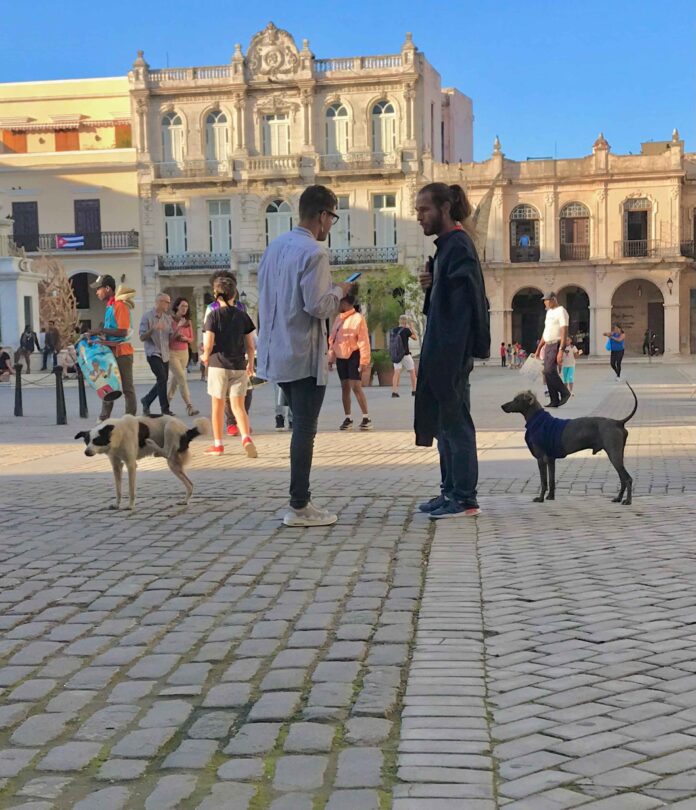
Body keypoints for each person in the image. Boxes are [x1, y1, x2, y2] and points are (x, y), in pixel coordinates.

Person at [257, 184, 353, 528]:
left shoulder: (275, 247)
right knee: (305, 430)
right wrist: (340, 290)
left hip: (277, 349)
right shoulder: (314, 252)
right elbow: (317, 305)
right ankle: (299, 504)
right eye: (333, 218)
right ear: (323, 216)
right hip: (303, 351)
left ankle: (299, 500)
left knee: (299, 425)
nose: (331, 226)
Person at [414, 182, 490, 520]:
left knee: (456, 423)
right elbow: (445, 302)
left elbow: (466, 305)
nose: (419, 217)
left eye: (424, 210)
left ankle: (464, 497)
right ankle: (449, 491)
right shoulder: (447, 247)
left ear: (444, 208)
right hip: (443, 349)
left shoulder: (458, 245)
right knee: (444, 422)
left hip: (450, 351)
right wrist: (433, 286)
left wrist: (452, 356)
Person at [200, 275, 257, 458]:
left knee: (217, 406)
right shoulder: (242, 315)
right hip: (239, 365)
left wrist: (205, 356)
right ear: (234, 295)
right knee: (238, 406)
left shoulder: (213, 315)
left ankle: (218, 445)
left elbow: (208, 343)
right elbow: (250, 344)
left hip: (219, 364)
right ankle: (246, 438)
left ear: (216, 295)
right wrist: (251, 363)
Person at [88, 276, 138, 421]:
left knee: (127, 388)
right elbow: (112, 331)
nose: (97, 292)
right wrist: (99, 335)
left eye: (99, 289)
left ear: (108, 288)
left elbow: (122, 331)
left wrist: (100, 331)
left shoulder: (119, 305)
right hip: (111, 352)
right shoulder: (110, 306)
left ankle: (129, 419)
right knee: (107, 386)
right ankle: (104, 419)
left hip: (122, 353)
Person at [329, 289, 372, 430]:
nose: (337, 305)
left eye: (339, 302)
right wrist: (331, 358)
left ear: (346, 303)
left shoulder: (358, 318)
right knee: (345, 387)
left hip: (354, 354)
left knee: (356, 386)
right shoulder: (338, 319)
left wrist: (364, 361)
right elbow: (333, 340)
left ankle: (366, 417)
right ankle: (348, 417)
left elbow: (364, 341)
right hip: (341, 357)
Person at [139, 292, 176, 416]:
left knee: (163, 380)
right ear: (159, 302)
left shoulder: (167, 318)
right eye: (166, 301)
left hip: (164, 353)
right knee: (162, 378)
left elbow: (171, 337)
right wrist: (153, 328)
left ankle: (146, 400)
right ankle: (165, 409)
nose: (168, 304)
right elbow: (142, 337)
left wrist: (178, 330)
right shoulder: (147, 317)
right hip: (153, 353)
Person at [535, 292, 571, 408]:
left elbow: (564, 330)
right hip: (548, 345)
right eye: (544, 300)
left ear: (554, 299)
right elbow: (546, 331)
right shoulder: (549, 312)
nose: (545, 302)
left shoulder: (561, 311)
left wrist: (561, 349)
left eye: (547, 300)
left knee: (549, 371)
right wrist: (539, 348)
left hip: (556, 343)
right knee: (547, 372)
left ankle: (565, 392)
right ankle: (554, 399)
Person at [168, 297, 199, 416]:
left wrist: (186, 339)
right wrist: (179, 326)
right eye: (182, 306)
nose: (185, 309)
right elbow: (169, 339)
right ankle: (189, 406)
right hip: (172, 353)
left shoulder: (188, 322)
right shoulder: (170, 320)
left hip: (184, 353)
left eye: (186, 307)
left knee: (175, 381)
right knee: (181, 378)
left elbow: (192, 339)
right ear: (176, 307)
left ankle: (165, 404)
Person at [390, 315, 417, 397]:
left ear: (399, 321)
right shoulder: (406, 330)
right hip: (405, 354)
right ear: (406, 322)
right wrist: (412, 327)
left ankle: (394, 391)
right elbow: (415, 338)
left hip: (396, 354)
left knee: (396, 372)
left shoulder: (393, 330)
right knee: (412, 371)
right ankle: (414, 390)